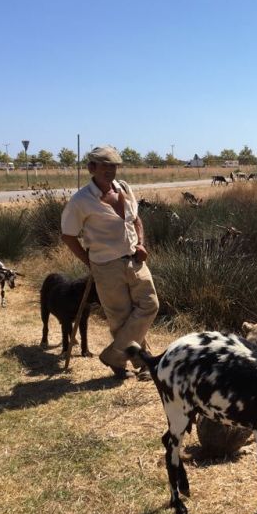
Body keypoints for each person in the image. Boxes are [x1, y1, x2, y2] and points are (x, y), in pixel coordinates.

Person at [60, 145, 159, 379]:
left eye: (114, 165)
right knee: (120, 317)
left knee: (149, 305)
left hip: (135, 260)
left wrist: (141, 244)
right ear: (91, 167)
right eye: (105, 165)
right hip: (106, 266)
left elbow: (135, 219)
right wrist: (90, 262)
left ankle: (113, 356)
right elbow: (68, 235)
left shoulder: (124, 188)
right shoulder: (81, 201)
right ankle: (141, 364)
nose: (110, 170)